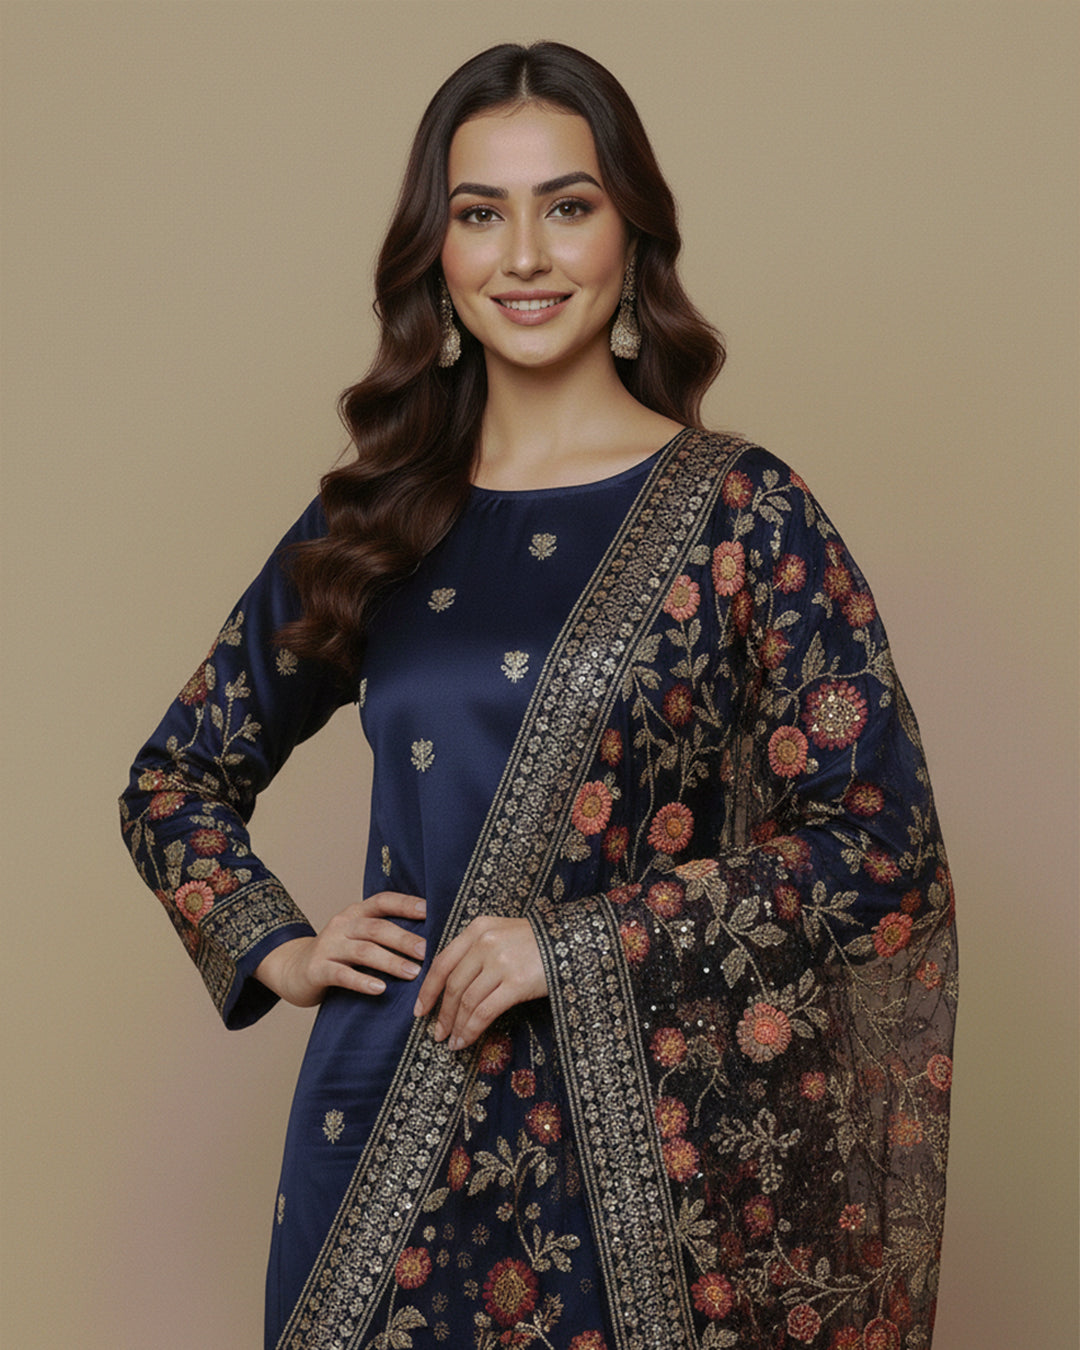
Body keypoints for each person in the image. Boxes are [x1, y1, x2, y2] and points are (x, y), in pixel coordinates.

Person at [119, 41, 956, 1350]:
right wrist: (277, 943)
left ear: (631, 236)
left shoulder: (743, 513)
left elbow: (880, 849)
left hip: (649, 1171)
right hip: (381, 1130)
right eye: (479, 213)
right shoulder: (379, 517)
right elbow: (174, 778)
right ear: (437, 255)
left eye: (566, 206)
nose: (523, 255)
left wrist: (568, 947)